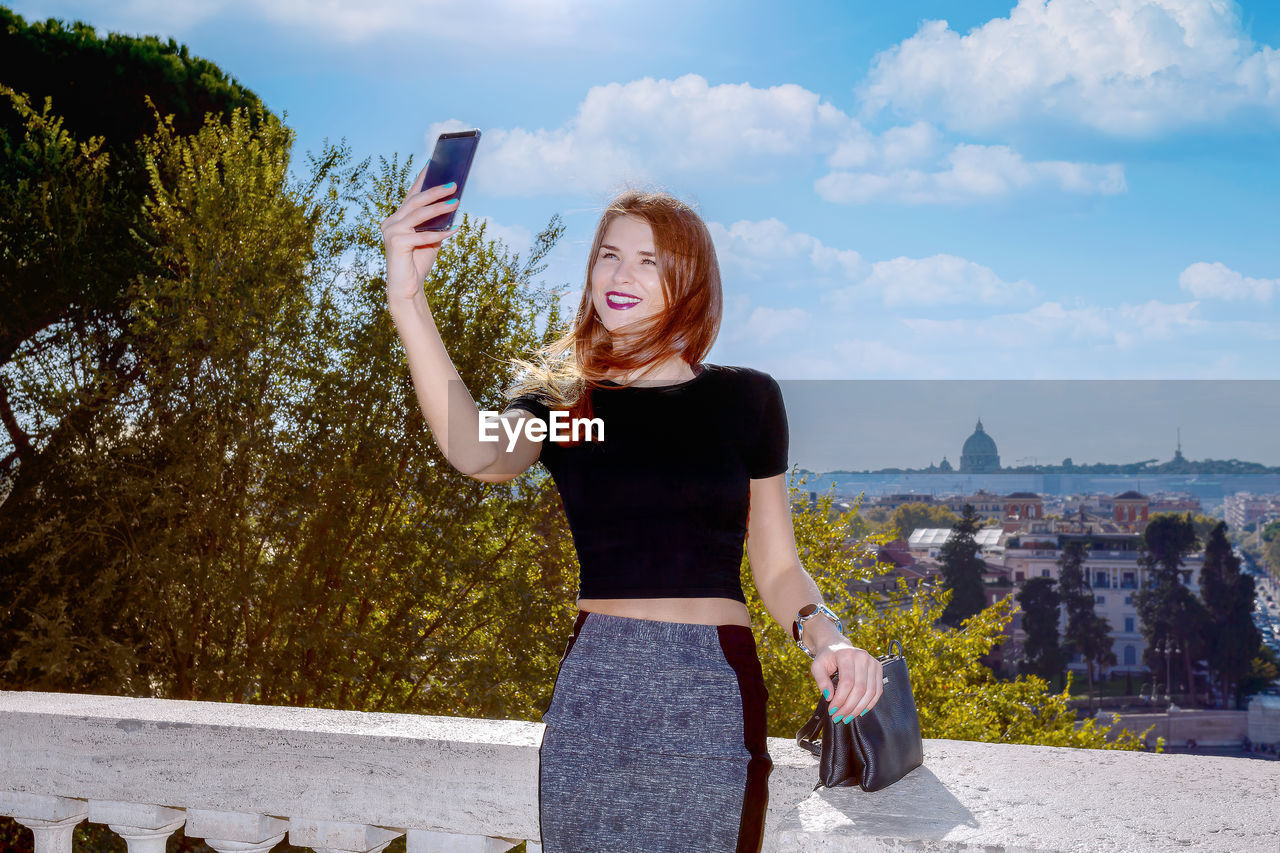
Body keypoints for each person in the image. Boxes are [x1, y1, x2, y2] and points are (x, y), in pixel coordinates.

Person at [380, 162, 884, 853]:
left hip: (708, 685)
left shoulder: (746, 400)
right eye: (609, 256)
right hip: (593, 685)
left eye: (650, 261)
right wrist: (408, 295)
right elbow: (477, 451)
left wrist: (828, 636)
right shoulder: (566, 401)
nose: (622, 275)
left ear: (691, 281)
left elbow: (777, 567)